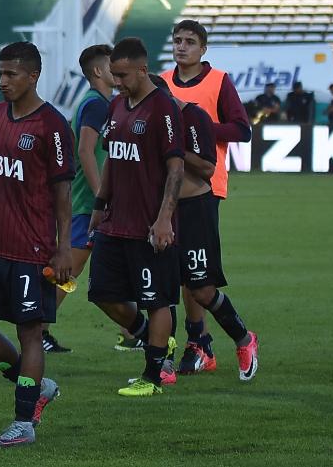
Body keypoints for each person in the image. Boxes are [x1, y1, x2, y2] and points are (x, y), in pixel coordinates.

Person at [0, 41, 68, 447]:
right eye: (0, 74)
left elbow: (61, 192)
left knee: (30, 333)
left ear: (32, 75)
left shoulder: (52, 126)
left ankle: (24, 422)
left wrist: (61, 248)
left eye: (11, 75)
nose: (2, 82)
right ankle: (35, 386)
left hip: (32, 250)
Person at [88, 37, 184, 398]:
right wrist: (100, 206)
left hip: (148, 225)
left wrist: (164, 219)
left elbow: (176, 167)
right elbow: (113, 157)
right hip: (116, 221)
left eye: (123, 75)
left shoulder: (163, 108)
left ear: (143, 70)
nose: (117, 81)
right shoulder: (117, 105)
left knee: (157, 299)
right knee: (102, 293)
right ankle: (154, 342)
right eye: (114, 75)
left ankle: (154, 376)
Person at [155, 75, 260, 382]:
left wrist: (174, 150)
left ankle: (243, 338)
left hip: (196, 209)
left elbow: (206, 168)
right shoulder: (147, 120)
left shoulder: (194, 116)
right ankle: (163, 363)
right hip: (162, 211)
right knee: (162, 288)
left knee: (200, 288)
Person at [164, 20, 251, 370]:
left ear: (203, 49)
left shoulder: (219, 81)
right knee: (174, 268)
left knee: (194, 269)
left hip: (205, 184)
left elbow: (242, 129)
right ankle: (189, 341)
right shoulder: (164, 83)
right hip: (166, 186)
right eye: (177, 41)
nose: (182, 47)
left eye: (190, 42)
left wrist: (197, 126)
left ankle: (198, 341)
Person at [43, 44, 113, 354]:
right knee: (68, 269)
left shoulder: (96, 102)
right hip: (88, 202)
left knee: (113, 267)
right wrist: (101, 196)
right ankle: (38, 328)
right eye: (114, 64)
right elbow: (85, 150)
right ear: (98, 71)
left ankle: (132, 331)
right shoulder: (96, 104)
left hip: (88, 199)